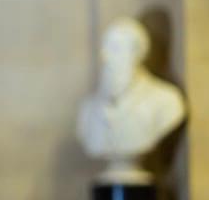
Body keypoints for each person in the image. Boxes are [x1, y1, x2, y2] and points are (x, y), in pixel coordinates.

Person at [76, 17, 186, 185]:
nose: (105, 56)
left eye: (115, 48)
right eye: (105, 47)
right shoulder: (89, 109)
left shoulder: (166, 101)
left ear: (137, 54)